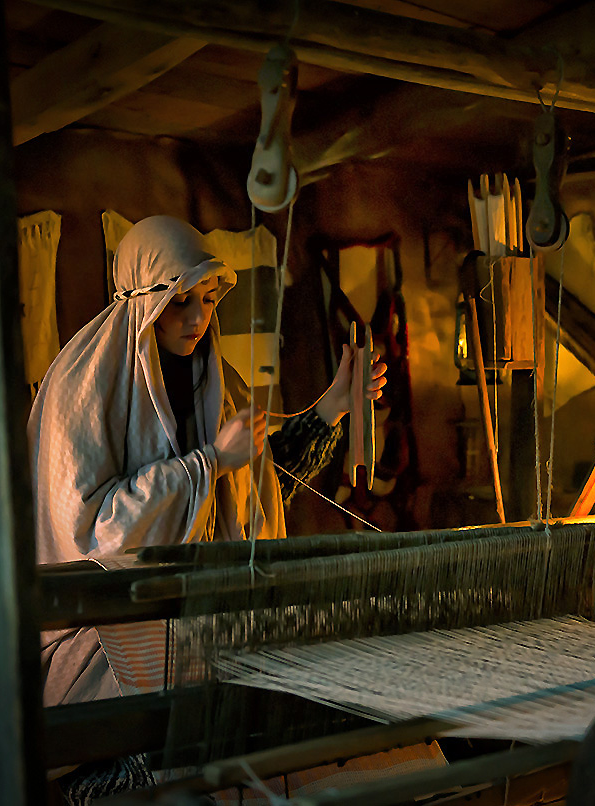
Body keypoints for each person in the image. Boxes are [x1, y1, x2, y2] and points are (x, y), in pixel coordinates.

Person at [30, 215, 386, 710]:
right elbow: (95, 535)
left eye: (210, 299)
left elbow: (257, 490)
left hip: (205, 615)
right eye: (180, 303)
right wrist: (212, 462)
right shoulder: (83, 388)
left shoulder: (215, 380)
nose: (198, 318)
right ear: (144, 302)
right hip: (106, 632)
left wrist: (333, 406)